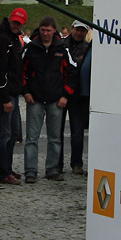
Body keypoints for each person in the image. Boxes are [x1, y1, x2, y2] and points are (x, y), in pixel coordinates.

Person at [22, 16, 77, 183]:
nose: (45, 33)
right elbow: (21, 71)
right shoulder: (30, 48)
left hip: (56, 100)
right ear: (39, 30)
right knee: (32, 138)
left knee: (55, 138)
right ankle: (30, 171)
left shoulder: (63, 49)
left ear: (54, 31)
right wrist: (26, 92)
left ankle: (52, 169)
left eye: (48, 30)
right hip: (35, 100)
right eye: (43, 30)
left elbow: (72, 73)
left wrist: (65, 95)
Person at [58, 20, 91, 175]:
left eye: (82, 31)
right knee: (57, 132)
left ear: (86, 32)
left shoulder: (88, 47)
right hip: (61, 93)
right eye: (77, 29)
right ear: (72, 29)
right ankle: (57, 164)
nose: (79, 33)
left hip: (78, 95)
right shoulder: (61, 44)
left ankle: (77, 163)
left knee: (77, 132)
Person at [0, 8, 27, 185]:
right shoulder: (4, 39)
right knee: (5, 135)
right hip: (8, 94)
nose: (16, 25)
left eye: (19, 23)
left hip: (14, 93)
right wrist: (5, 98)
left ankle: (7, 168)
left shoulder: (13, 38)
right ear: (10, 19)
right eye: (14, 22)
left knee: (13, 134)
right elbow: (0, 69)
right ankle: (3, 172)